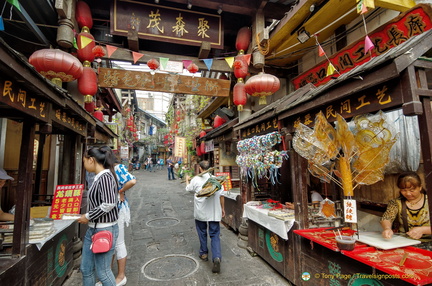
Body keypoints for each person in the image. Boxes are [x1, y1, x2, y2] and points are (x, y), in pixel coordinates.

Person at [78, 146, 119, 286]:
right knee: (86, 269)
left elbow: (108, 203)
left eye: (84, 161)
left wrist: (88, 216)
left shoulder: (106, 177)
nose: (83, 165)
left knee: (103, 272)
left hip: (104, 229)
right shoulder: (99, 177)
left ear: (91, 160)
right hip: (94, 229)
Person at [185, 160, 225, 273]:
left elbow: (188, 189)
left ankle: (204, 253)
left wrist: (187, 180)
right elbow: (221, 195)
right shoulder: (217, 179)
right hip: (214, 212)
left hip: (201, 212)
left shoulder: (196, 179)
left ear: (200, 168)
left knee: (202, 232)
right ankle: (216, 257)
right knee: (215, 234)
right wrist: (223, 208)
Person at [381, 172, 431, 240]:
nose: (408, 193)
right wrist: (387, 228)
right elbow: (387, 218)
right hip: (405, 241)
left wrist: (423, 230)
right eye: (404, 190)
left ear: (420, 187)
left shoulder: (429, 201)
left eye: (412, 190)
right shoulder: (396, 203)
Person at [112, 158, 136, 286]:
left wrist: (120, 191)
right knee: (110, 243)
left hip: (117, 209)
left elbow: (132, 180)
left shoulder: (117, 168)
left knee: (118, 242)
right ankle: (107, 275)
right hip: (102, 212)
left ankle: (120, 276)